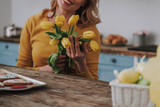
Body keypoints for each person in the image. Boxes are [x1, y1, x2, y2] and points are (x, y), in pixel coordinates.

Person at [17, 0, 101, 80]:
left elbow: (93, 81)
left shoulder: (90, 32)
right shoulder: (33, 22)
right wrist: (44, 70)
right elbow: (20, 70)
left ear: (85, 2)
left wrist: (80, 62)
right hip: (37, 91)